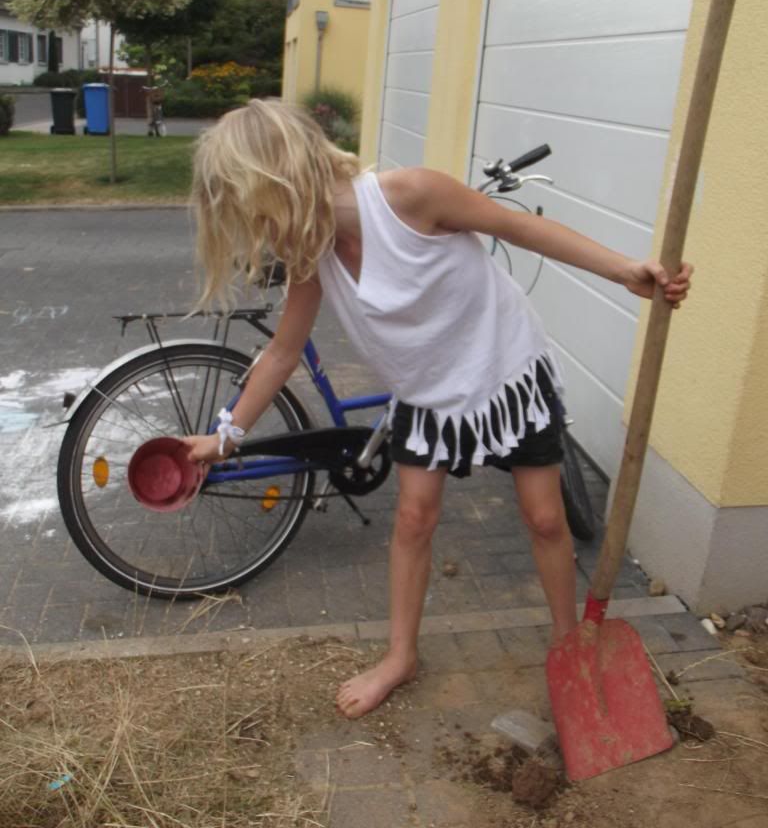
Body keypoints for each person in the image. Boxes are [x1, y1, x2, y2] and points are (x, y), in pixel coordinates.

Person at [183, 98, 692, 719]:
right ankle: (401, 656)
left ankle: (570, 646)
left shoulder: (413, 196)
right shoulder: (313, 254)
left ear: (276, 184)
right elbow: (283, 352)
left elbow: (522, 229)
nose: (258, 233)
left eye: (253, 213)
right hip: (426, 393)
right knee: (413, 519)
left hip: (503, 373)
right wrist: (226, 436)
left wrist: (624, 271)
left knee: (544, 519)